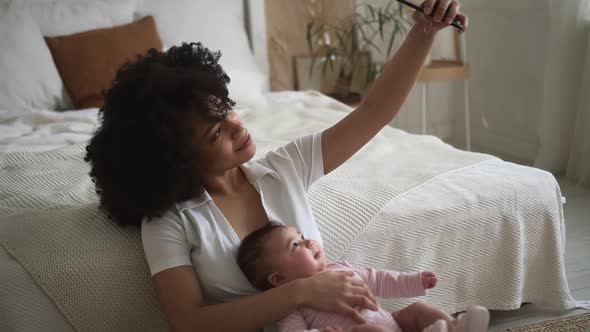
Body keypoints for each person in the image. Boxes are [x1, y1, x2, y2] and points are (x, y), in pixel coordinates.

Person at [84, 1, 469, 331]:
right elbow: (189, 322)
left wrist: (424, 32)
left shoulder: (284, 166)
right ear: (178, 158)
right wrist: (301, 292)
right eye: (216, 134)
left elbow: (374, 112)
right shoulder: (169, 220)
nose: (238, 126)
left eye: (226, 109)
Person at [237, 222, 490, 332]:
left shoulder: (340, 269)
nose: (309, 242)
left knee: (419, 309)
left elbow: (379, 279)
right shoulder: (293, 306)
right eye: (295, 245)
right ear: (278, 280)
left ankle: (457, 328)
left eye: (303, 237)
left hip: (395, 323)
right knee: (368, 330)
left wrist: (415, 281)